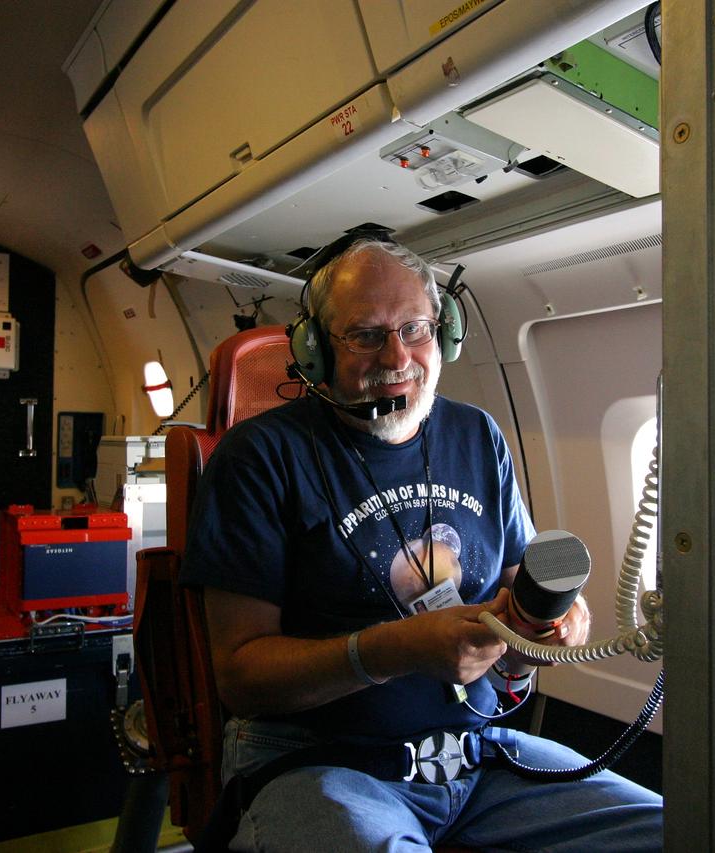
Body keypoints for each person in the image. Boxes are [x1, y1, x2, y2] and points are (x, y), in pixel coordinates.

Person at [180, 237, 662, 850]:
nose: (397, 355)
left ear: (447, 334)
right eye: (365, 335)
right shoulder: (260, 457)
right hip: (320, 763)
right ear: (314, 350)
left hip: (481, 754)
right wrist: (393, 651)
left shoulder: (476, 434)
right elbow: (241, 678)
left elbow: (518, 598)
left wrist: (551, 631)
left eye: (416, 329)